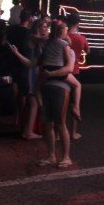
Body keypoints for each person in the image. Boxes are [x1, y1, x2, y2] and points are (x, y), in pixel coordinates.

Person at [35, 26, 74, 169]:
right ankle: (52, 156)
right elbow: (33, 63)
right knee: (49, 124)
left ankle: (65, 157)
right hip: (48, 87)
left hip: (59, 88)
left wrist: (50, 74)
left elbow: (69, 69)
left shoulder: (65, 47)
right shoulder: (51, 46)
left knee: (59, 123)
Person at [9, 18, 47, 140]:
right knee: (33, 102)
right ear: (38, 27)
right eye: (44, 27)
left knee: (32, 103)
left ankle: (26, 129)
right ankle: (28, 131)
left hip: (33, 71)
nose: (46, 29)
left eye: (47, 27)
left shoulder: (35, 39)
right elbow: (31, 62)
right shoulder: (33, 38)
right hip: (31, 74)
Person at [36, 21, 82, 122]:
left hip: (46, 69)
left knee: (37, 87)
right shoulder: (64, 44)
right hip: (57, 70)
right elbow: (69, 67)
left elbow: (40, 58)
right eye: (65, 30)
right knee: (77, 85)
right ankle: (76, 107)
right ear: (62, 31)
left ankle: (40, 106)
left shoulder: (47, 42)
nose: (67, 31)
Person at [6, 9, 32, 130]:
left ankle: (15, 119)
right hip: (22, 64)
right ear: (29, 19)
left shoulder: (12, 29)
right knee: (23, 93)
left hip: (12, 62)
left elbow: (5, 42)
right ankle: (20, 119)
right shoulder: (28, 33)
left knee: (15, 90)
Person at [66, 11, 89, 138]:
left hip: (63, 71)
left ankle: (59, 132)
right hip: (75, 72)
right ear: (78, 23)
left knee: (63, 102)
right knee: (75, 103)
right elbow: (87, 50)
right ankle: (73, 132)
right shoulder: (82, 38)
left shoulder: (63, 37)